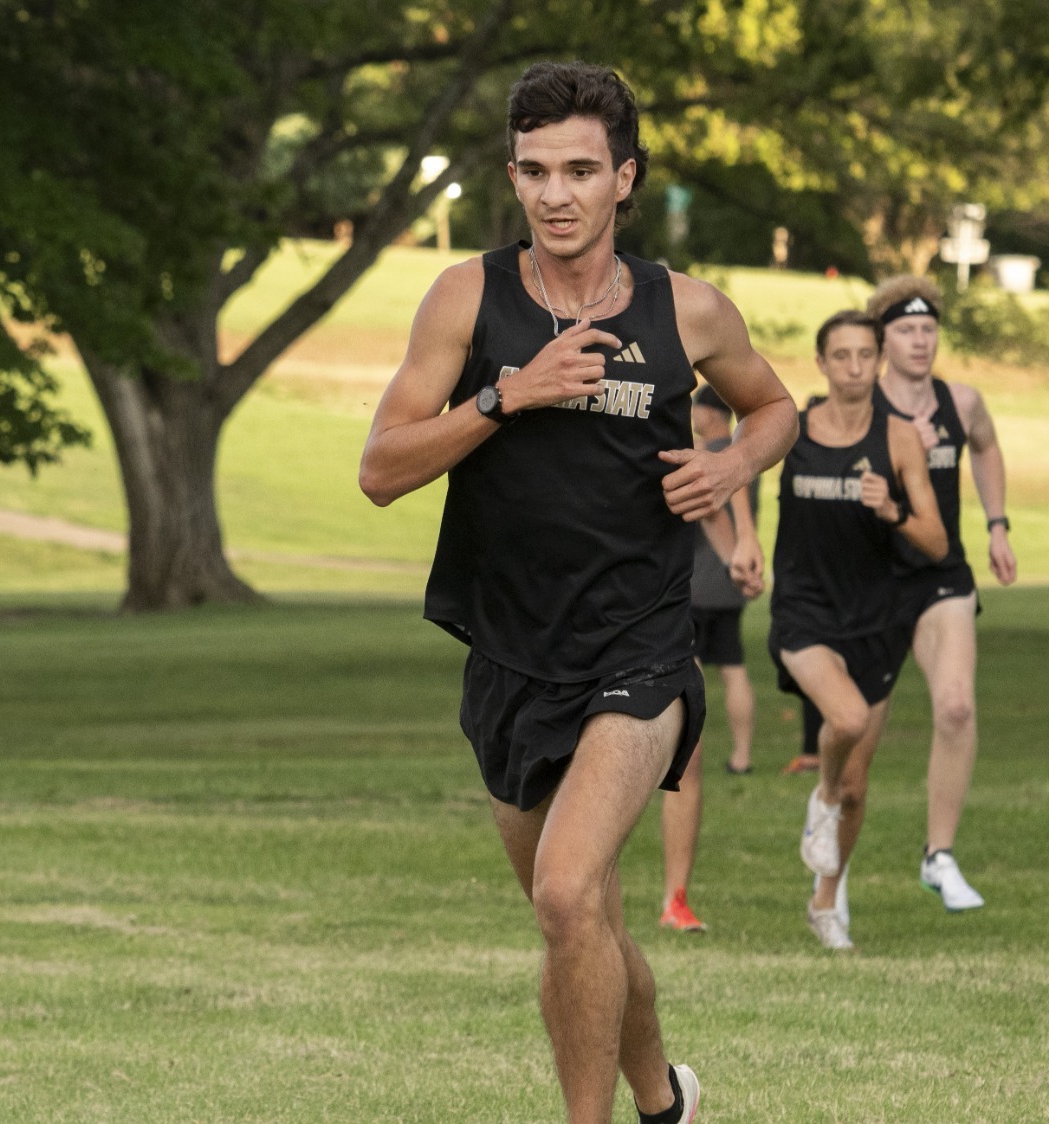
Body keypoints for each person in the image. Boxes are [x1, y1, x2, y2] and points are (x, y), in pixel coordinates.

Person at [357, 61, 795, 1123]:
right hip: (507, 651)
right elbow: (381, 468)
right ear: (512, 177)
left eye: (581, 170)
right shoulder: (466, 297)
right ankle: (664, 1100)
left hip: (638, 649)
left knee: (564, 894)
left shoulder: (685, 310)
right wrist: (510, 393)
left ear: (623, 180)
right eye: (536, 170)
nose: (557, 193)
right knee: (580, 915)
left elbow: (774, 406)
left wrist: (734, 466)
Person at [773, 310, 948, 949]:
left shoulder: (899, 437)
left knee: (857, 784)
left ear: (879, 361)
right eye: (840, 356)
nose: (853, 368)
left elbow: (935, 539)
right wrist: (740, 541)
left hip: (875, 617)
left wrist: (892, 508)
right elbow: (732, 467)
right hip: (803, 609)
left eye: (864, 355)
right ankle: (818, 801)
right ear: (820, 363)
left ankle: (826, 898)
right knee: (843, 722)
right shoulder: (791, 426)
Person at [850, 275, 1017, 912]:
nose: (921, 341)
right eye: (906, 331)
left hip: (941, 571)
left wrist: (998, 525)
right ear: (882, 340)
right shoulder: (862, 405)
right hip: (870, 579)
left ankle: (939, 856)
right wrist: (896, 455)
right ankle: (830, 862)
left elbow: (987, 446)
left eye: (928, 330)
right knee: (856, 739)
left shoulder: (962, 401)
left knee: (954, 706)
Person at [657, 384, 764, 934]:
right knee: (734, 671)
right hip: (673, 597)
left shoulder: (717, 454)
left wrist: (735, 551)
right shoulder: (717, 450)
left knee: (689, 747)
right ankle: (744, 753)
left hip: (689, 596)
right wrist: (739, 555)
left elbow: (714, 501)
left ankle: (676, 897)